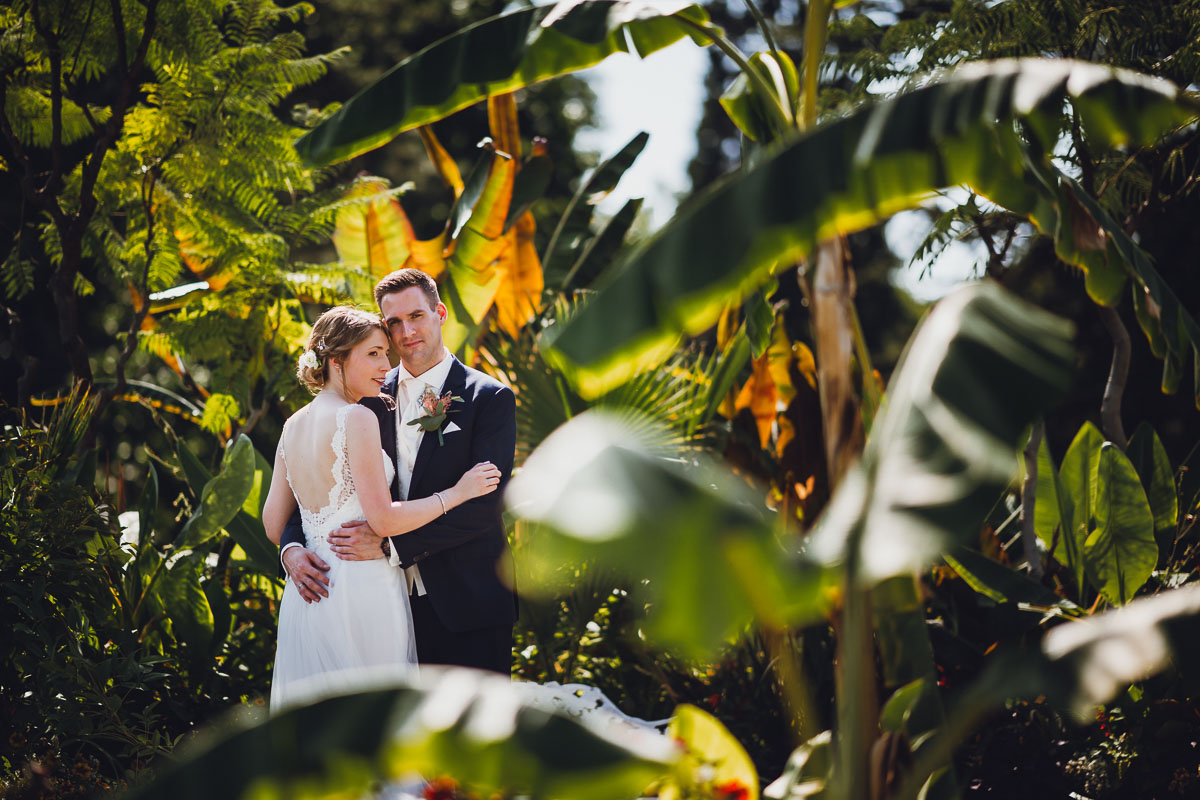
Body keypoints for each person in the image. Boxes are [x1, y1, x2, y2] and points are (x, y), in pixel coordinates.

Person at [278, 269, 519, 675]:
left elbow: (486, 505)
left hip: (467, 603)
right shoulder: (365, 395)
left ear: (440, 313)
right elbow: (309, 490)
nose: (406, 331)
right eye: (393, 323)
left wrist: (393, 549)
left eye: (417, 316)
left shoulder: (488, 398)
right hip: (375, 605)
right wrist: (292, 551)